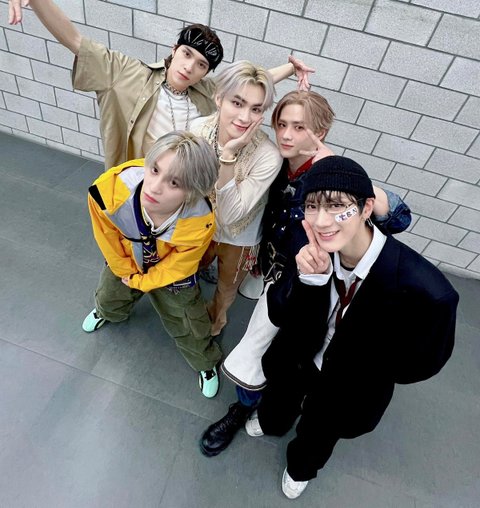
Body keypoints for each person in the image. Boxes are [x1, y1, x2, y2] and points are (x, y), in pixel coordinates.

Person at [199, 91, 412, 455]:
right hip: (275, 272)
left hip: (314, 286)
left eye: (299, 127)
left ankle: (263, 409)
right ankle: (249, 406)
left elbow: (399, 218)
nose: (286, 134)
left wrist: (348, 176)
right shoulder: (277, 162)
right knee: (262, 350)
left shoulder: (331, 175)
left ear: (321, 132)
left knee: (285, 355)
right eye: (282, 124)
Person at [244, 155, 458, 499]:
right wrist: (309, 281)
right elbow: (280, 312)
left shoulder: (428, 292)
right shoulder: (311, 246)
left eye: (337, 206)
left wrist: (366, 354)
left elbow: (421, 364)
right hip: (298, 359)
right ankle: (271, 421)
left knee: (321, 430)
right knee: (281, 397)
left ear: (366, 208)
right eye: (312, 206)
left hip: (351, 383)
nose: (322, 220)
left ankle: (300, 468)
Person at [8, 0, 313, 170]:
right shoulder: (127, 74)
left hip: (188, 184)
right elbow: (75, 40)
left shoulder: (207, 92)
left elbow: (246, 84)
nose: (189, 67)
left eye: (201, 65)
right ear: (174, 49)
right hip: (137, 181)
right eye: (187, 54)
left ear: (206, 73)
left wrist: (290, 67)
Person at [82, 131, 222, 398]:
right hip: (126, 259)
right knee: (110, 296)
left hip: (170, 273)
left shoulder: (200, 220)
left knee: (189, 321)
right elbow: (106, 237)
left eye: (174, 183)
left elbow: (180, 265)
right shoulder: (111, 189)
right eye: (154, 169)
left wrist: (144, 281)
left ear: (193, 192)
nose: (155, 187)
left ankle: (206, 363)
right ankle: (106, 313)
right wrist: (127, 272)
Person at [190, 60, 283, 337]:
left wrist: (228, 156)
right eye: (237, 103)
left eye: (256, 109)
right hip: (198, 223)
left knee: (226, 288)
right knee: (188, 272)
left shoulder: (268, 155)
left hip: (239, 237)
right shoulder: (197, 130)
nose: (244, 117)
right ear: (219, 98)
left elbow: (231, 216)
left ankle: (215, 324)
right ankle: (188, 314)